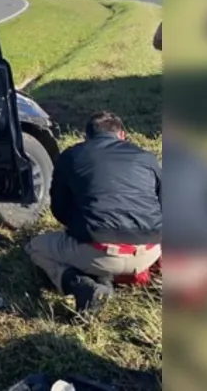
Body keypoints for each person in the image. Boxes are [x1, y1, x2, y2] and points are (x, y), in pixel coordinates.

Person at [25, 111, 162, 313]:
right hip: (149, 252)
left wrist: (81, 225)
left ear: (86, 137)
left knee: (35, 247)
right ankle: (107, 275)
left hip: (97, 250)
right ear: (122, 135)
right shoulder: (147, 158)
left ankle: (81, 284)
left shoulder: (71, 156)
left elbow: (59, 209)